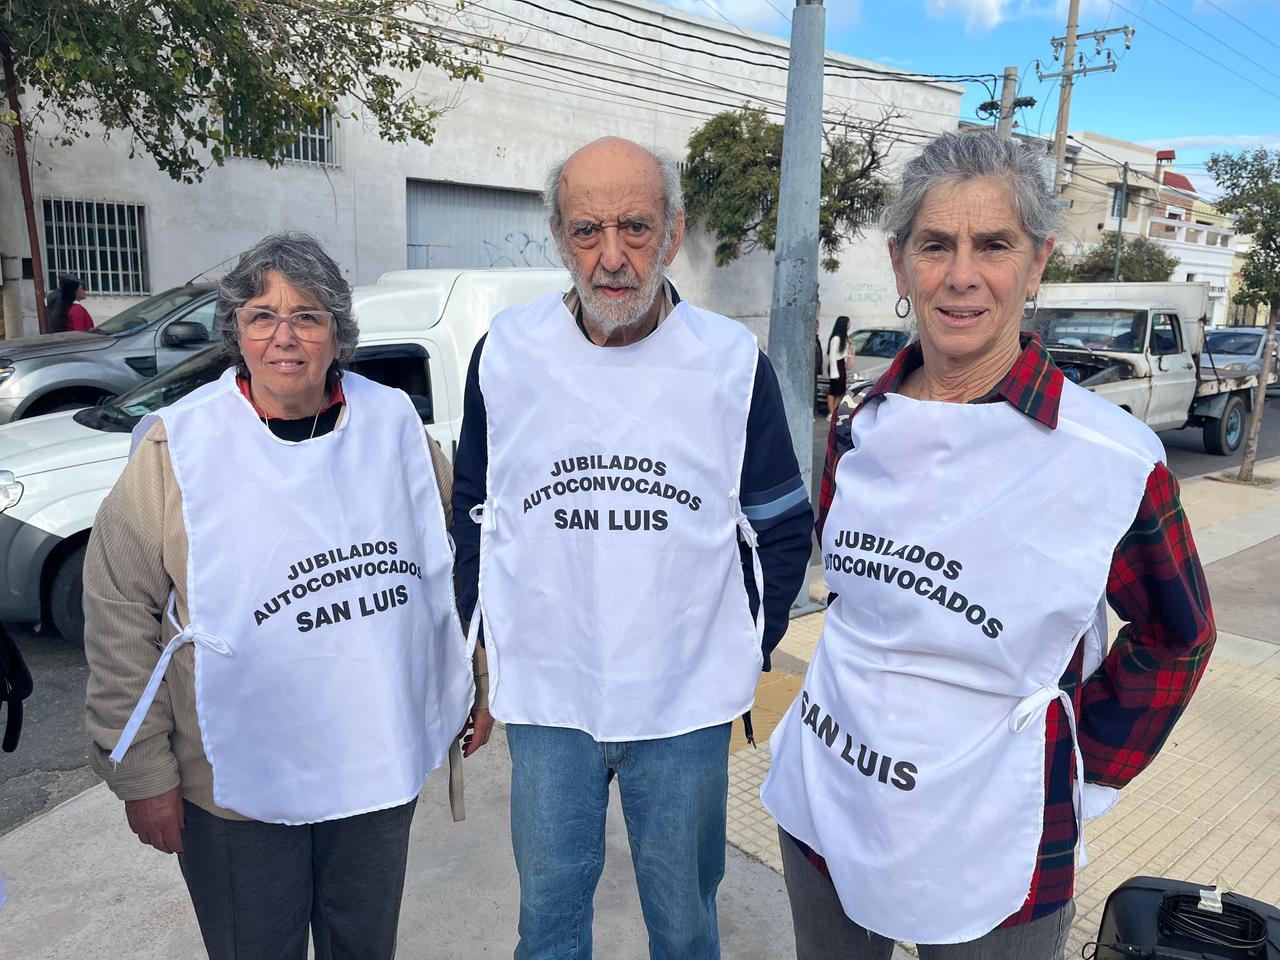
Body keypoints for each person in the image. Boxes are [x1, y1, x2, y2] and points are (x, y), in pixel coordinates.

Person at [762, 130, 1216, 959]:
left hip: (995, 841)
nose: (961, 274)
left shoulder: (1110, 459)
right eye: (936, 244)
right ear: (901, 266)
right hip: (827, 804)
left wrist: (1077, 771)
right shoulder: (861, 424)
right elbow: (853, 601)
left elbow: (1176, 636)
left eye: (993, 244)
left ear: (1036, 262)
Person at [452, 137, 813, 959]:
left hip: (681, 711)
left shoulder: (727, 364)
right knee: (547, 926)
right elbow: (474, 513)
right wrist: (479, 658)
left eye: (635, 228)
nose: (611, 257)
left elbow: (783, 525)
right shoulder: (505, 356)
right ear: (557, 235)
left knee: (685, 928)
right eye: (586, 231)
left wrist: (738, 649)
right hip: (549, 703)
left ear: (675, 232)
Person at [84, 233, 480, 960]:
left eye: (309, 315)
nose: (285, 336)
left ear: (339, 334)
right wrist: (140, 769)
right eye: (262, 315)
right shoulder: (179, 450)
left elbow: (452, 567)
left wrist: (472, 684)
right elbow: (118, 614)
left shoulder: (396, 428)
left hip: (375, 760)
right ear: (236, 330)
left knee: (362, 946)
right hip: (236, 783)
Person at [825, 314, 850, 419]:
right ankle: (831, 413)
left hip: (841, 365)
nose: (849, 325)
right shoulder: (836, 338)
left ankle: (835, 412)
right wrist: (834, 373)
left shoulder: (844, 338)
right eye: (848, 323)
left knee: (840, 391)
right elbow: (832, 356)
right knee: (833, 390)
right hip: (836, 366)